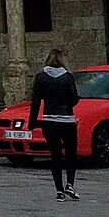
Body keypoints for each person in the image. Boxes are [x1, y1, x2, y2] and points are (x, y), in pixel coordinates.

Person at [28, 49, 81, 202]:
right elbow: (74, 99)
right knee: (71, 154)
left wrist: (32, 122)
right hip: (67, 121)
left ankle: (59, 191)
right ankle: (70, 183)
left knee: (55, 155)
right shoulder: (68, 77)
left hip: (49, 121)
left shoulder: (40, 77)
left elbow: (36, 101)